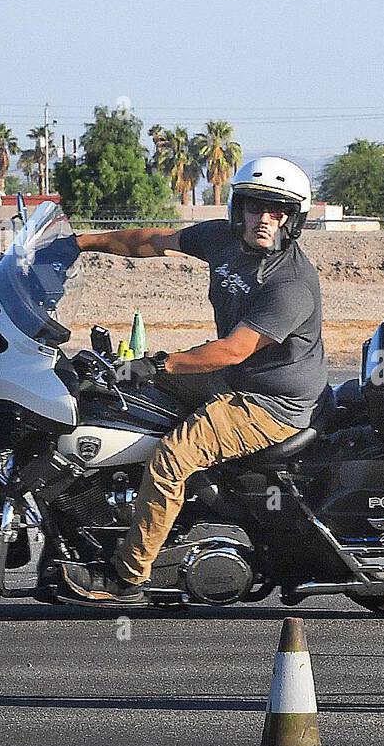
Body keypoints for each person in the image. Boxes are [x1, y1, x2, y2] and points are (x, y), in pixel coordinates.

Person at [58, 156, 327, 604]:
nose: (264, 218)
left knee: (171, 458)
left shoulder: (290, 283)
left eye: (276, 210)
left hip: (270, 401)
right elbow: (151, 241)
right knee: (121, 389)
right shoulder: (223, 239)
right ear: (237, 208)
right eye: (255, 206)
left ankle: (128, 577)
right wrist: (78, 243)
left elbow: (233, 350)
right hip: (234, 376)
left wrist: (158, 364)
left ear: (292, 218)